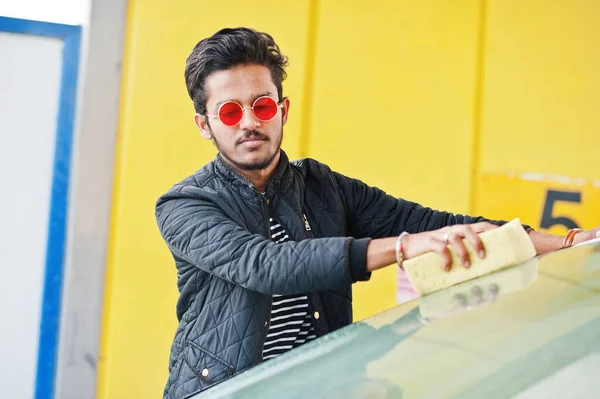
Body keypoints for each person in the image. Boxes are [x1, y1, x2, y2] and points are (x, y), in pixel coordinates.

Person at [154, 27, 600, 399]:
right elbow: (267, 266)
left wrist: (566, 242)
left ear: (283, 110)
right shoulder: (185, 205)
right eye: (230, 112)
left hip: (320, 386)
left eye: (263, 105)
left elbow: (432, 224)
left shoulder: (321, 185)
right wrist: (406, 248)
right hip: (224, 389)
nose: (249, 122)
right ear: (204, 124)